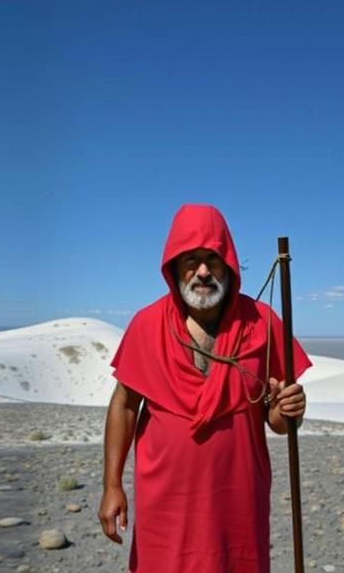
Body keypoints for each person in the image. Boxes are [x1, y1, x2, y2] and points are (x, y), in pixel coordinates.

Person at [98, 203, 311, 572]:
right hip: (165, 502)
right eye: (190, 259)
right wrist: (111, 485)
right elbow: (125, 406)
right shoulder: (147, 325)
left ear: (228, 263)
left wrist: (290, 408)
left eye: (212, 259)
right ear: (173, 267)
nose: (202, 271)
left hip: (238, 500)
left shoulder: (262, 323)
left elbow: (276, 421)